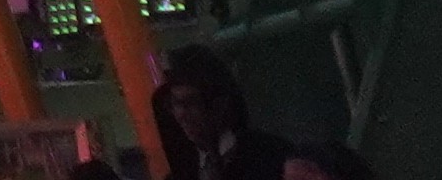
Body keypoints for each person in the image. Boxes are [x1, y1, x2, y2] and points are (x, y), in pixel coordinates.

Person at [148, 52, 363, 180]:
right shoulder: (183, 173)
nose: (181, 114)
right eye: (175, 104)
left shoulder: (272, 158)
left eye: (191, 103)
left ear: (220, 105)